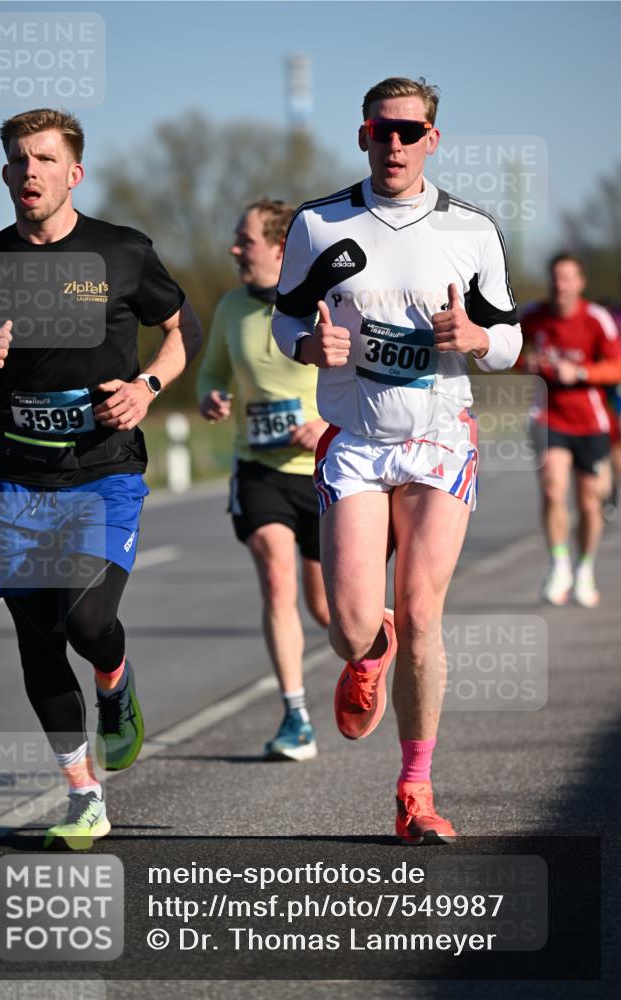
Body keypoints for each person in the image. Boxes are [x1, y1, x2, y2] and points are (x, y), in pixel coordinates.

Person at [272, 77, 522, 843]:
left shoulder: (469, 231)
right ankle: (366, 647)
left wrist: (477, 341)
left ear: (431, 140)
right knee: (348, 625)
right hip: (355, 443)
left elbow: (509, 340)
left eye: (410, 132)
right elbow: (282, 325)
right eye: (382, 130)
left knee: (423, 613)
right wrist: (310, 346)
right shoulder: (317, 224)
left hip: (438, 438)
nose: (395, 144)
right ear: (362, 135)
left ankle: (414, 790)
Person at [0, 109, 202, 848]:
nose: (30, 171)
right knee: (37, 642)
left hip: (103, 470)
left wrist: (149, 388)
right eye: (18, 160)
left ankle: (115, 684)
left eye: (44, 159)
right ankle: (82, 794)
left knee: (87, 622)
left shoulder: (121, 253)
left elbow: (182, 327)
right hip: (20, 477)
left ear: (73, 173)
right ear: (4, 174)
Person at [197, 198, 329, 761]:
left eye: (244, 240)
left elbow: (366, 382)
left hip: (327, 473)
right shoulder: (230, 308)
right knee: (277, 577)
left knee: (331, 612)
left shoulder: (324, 303)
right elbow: (212, 370)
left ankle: (384, 643)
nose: (234, 249)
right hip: (259, 470)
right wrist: (211, 395)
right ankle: (296, 716)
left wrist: (325, 424)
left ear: (280, 249)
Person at [521, 255, 621, 607]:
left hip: (591, 422)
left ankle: (584, 568)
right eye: (554, 278)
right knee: (552, 490)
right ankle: (560, 564)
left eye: (566, 279)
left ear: (580, 283)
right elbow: (506, 350)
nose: (559, 285)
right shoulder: (533, 315)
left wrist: (579, 374)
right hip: (548, 417)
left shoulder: (597, 320)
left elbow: (617, 367)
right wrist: (526, 362)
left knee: (590, 503)